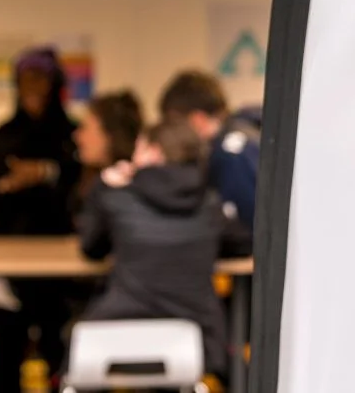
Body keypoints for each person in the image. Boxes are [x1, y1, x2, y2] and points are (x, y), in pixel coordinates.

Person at [77, 120, 252, 379]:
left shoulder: (118, 198)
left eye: (138, 149)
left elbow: (91, 247)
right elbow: (245, 243)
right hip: (197, 340)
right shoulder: (209, 205)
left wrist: (102, 185)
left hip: (117, 334)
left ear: (154, 152)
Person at [0, 46, 83, 393]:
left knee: (60, 360)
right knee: (6, 361)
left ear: (54, 84)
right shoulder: (3, 135)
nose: (32, 87)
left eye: (40, 79)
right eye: (25, 80)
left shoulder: (72, 136)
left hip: (61, 274)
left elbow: (84, 188)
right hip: (8, 272)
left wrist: (46, 173)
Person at [159, 70, 261, 231]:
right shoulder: (251, 131)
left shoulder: (228, 158)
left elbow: (250, 229)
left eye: (176, 125)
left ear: (197, 120)